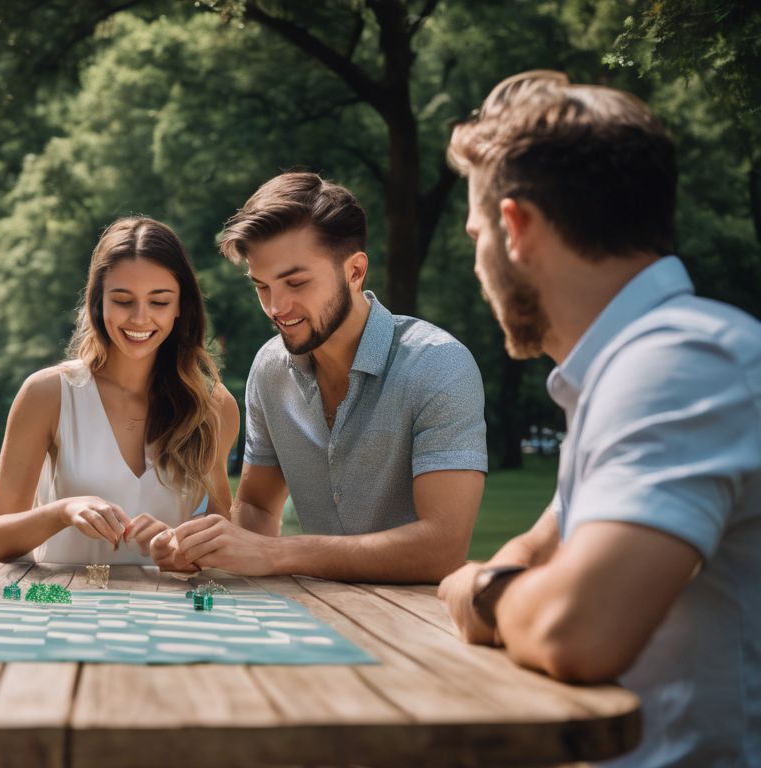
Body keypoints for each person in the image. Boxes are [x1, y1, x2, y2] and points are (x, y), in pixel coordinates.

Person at [437, 71, 760, 766]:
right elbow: (542, 543)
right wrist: (516, 578)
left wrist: (487, 592)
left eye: (475, 234)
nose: (477, 263)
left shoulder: (682, 362)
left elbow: (576, 628)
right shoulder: (625, 370)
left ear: (515, 227)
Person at [161, 172, 487, 580]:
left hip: (415, 624)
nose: (276, 307)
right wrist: (209, 550)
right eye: (262, 286)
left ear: (354, 271)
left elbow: (442, 547)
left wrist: (279, 554)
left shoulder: (438, 365)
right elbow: (258, 509)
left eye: (296, 282)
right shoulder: (269, 370)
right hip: (313, 617)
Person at [0, 217, 240, 565]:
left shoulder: (214, 406)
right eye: (122, 300)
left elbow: (219, 539)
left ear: (181, 306)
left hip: (170, 615)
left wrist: (180, 550)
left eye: (159, 302)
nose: (139, 318)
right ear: (98, 301)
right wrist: (63, 511)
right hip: (65, 612)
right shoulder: (48, 394)